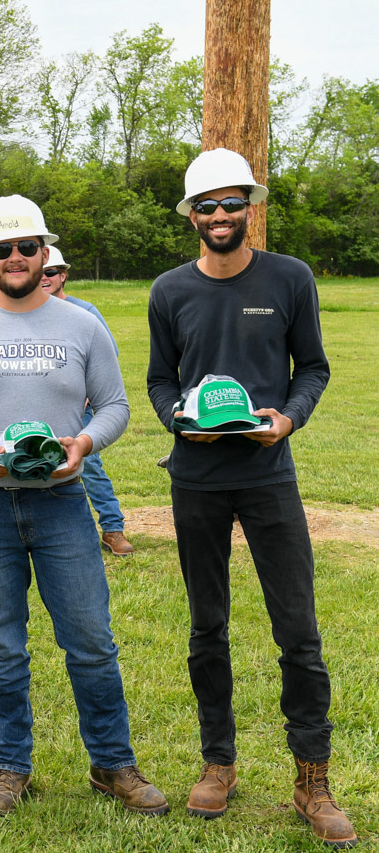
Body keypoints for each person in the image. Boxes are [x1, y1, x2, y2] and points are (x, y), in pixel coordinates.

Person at [0, 194, 168, 817]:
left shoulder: (82, 326)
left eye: (25, 247)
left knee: (90, 640)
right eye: (1, 249)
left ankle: (113, 764)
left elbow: (114, 406)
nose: (14, 258)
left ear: (44, 253)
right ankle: (10, 768)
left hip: (62, 504)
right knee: (2, 646)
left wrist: (83, 443)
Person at [147, 148, 356, 849]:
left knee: (298, 631)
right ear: (192, 217)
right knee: (207, 626)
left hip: (269, 474)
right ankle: (218, 761)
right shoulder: (169, 291)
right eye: (206, 206)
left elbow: (314, 365)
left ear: (249, 206)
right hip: (197, 477)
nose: (219, 216)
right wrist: (177, 416)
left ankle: (313, 778)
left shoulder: (289, 278)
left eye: (231, 203)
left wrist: (289, 418)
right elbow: (158, 380)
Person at [41, 246, 135, 556]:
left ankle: (112, 528)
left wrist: (85, 397)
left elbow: (106, 359)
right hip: (43, 405)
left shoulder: (86, 312)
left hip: (79, 407)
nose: (45, 277)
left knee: (89, 464)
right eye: (41, 272)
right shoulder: (30, 312)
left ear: (63, 275)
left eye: (51, 272)